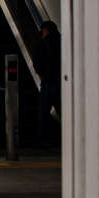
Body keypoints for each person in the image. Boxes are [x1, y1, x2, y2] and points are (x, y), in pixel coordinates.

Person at [33, 20, 61, 148]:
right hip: (63, 82)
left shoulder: (43, 42)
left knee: (43, 112)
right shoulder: (64, 41)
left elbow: (37, 63)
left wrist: (43, 73)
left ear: (46, 30)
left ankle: (44, 139)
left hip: (49, 81)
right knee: (63, 111)